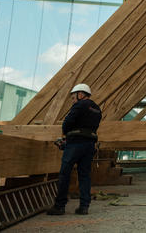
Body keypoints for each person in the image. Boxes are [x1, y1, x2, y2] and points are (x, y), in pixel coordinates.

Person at [47, 84, 102, 215]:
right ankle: (84, 207)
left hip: (75, 144)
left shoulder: (80, 105)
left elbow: (67, 122)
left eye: (73, 97)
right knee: (84, 175)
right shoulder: (97, 109)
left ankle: (59, 206)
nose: (73, 100)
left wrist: (66, 135)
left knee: (65, 173)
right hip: (89, 145)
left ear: (81, 94)